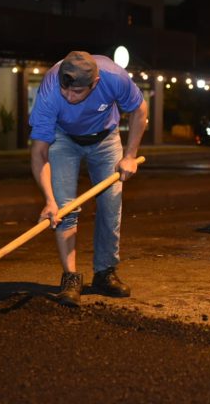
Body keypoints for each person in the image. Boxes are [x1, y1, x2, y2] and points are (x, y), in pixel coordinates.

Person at [29, 50, 148, 307]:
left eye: (77, 92)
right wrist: (49, 200)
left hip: (105, 138)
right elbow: (39, 151)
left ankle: (105, 272)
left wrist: (130, 155)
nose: (69, 97)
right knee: (63, 208)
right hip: (63, 138)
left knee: (110, 204)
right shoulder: (50, 89)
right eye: (66, 90)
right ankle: (71, 277)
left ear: (94, 84)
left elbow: (140, 111)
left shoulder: (114, 77)